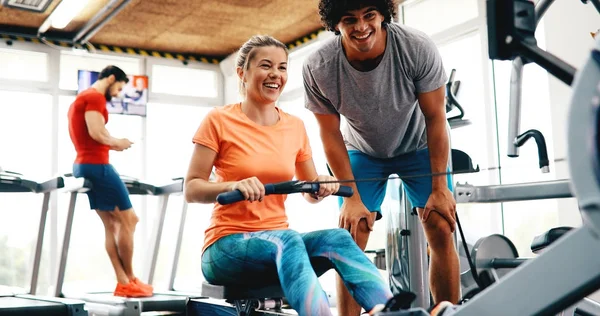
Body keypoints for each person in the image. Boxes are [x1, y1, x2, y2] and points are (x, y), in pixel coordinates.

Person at [185, 35, 411, 316]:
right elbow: (192, 189)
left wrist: (322, 185)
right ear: (242, 72)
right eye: (266, 66)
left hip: (278, 244)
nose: (275, 75)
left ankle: (388, 311)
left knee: (338, 238)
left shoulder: (295, 126)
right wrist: (235, 185)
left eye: (282, 67)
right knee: (287, 238)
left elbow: (309, 189)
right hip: (226, 246)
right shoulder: (218, 120)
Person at [302, 0, 460, 314]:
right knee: (351, 234)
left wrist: (441, 188)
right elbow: (330, 134)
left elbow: (436, 118)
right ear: (335, 24)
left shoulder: (415, 47)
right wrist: (351, 197)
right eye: (350, 20)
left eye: (369, 16)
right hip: (361, 150)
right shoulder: (319, 65)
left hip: (418, 145)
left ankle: (448, 311)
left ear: (383, 14)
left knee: (440, 225)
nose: (361, 27)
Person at [67, 65, 153, 298]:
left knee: (112, 225)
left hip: (84, 164)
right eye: (119, 87)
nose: (117, 93)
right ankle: (130, 278)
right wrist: (118, 142)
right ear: (112, 78)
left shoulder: (83, 98)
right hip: (97, 165)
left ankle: (124, 281)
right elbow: (97, 133)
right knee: (130, 220)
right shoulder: (94, 97)